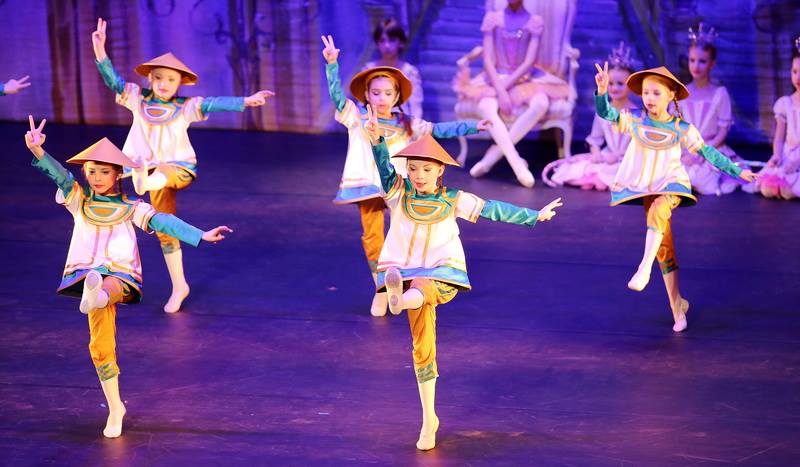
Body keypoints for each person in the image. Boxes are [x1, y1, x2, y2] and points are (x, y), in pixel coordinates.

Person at [364, 104, 562, 450]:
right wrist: (378, 142)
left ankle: (398, 300)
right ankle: (429, 418)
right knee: (422, 348)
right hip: (407, 276)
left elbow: (493, 209)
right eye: (414, 168)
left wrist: (533, 215)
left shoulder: (453, 199)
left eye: (427, 169)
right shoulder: (398, 194)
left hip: (442, 275)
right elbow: (384, 169)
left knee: (423, 286)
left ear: (440, 170)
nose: (419, 175)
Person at [24, 116, 232, 438]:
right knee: (100, 348)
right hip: (88, 273)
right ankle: (115, 407)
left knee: (107, 284)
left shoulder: (132, 206)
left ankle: (97, 294)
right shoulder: (79, 199)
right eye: (92, 171)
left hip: (120, 277)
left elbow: (164, 222)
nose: (97, 178)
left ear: (117, 174)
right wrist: (38, 151)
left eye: (104, 172)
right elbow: (59, 176)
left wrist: (200, 235)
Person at [91, 17, 272, 312]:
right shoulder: (137, 98)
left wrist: (246, 101)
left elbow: (212, 102)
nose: (164, 84)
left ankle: (142, 180)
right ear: (151, 79)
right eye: (159, 78)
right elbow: (114, 82)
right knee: (165, 229)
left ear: (179, 83)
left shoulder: (184, 107)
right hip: (145, 167)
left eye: (171, 80)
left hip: (176, 168)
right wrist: (100, 51)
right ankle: (179, 286)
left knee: (156, 175)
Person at [593, 62, 756, 332]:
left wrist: (737, 171)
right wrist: (601, 91)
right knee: (664, 247)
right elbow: (606, 114)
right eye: (646, 92)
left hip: (672, 185)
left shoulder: (682, 128)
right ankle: (677, 306)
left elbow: (708, 152)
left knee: (659, 209)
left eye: (656, 93)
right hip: (648, 187)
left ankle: (643, 269)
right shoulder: (635, 120)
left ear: (671, 95)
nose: (649, 98)